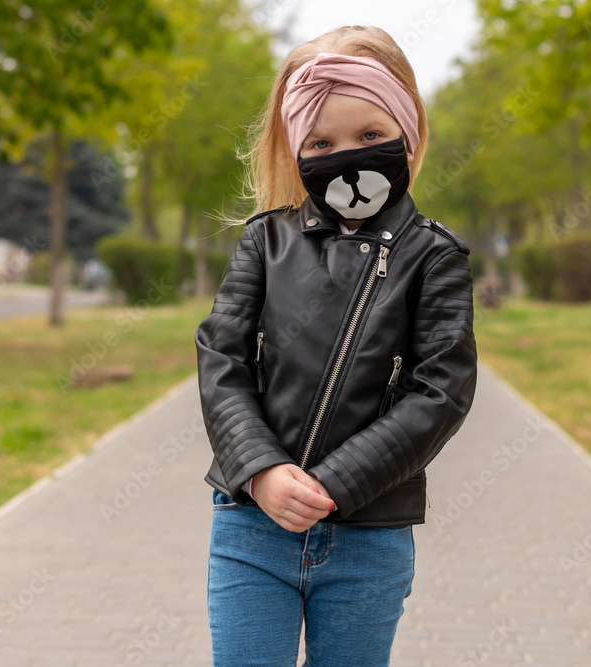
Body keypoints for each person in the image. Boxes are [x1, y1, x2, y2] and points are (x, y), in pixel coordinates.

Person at [194, 25, 478, 666]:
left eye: (370, 135)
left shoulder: (434, 257)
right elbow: (222, 360)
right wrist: (260, 470)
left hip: (368, 536)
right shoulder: (265, 242)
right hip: (251, 526)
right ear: (296, 149)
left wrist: (336, 482)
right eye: (321, 142)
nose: (347, 156)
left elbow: (441, 392)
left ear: (407, 129)